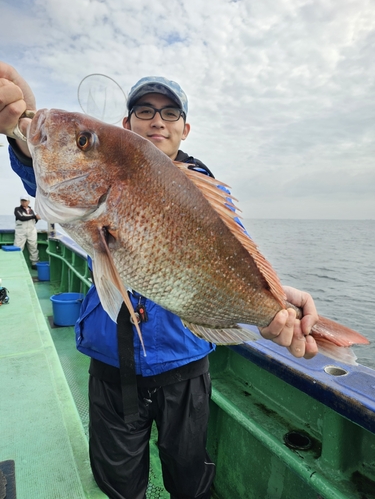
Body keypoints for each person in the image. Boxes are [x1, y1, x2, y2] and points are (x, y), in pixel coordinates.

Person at [0, 61, 319, 499]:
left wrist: (276, 303)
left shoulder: (211, 191)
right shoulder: (104, 167)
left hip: (184, 366)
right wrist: (21, 131)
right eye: (145, 110)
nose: (157, 120)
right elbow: (43, 172)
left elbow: (237, 260)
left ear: (185, 129)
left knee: (190, 482)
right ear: (126, 123)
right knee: (118, 487)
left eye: (170, 113)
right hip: (111, 366)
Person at [14, 194, 40, 268]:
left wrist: (36, 218)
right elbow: (21, 217)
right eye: (22, 201)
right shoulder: (17, 209)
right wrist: (35, 216)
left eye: (25, 201)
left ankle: (34, 263)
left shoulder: (31, 211)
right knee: (18, 247)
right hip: (21, 232)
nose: (23, 202)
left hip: (31, 232)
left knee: (33, 247)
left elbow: (34, 220)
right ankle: (16, 263)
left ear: (28, 202)